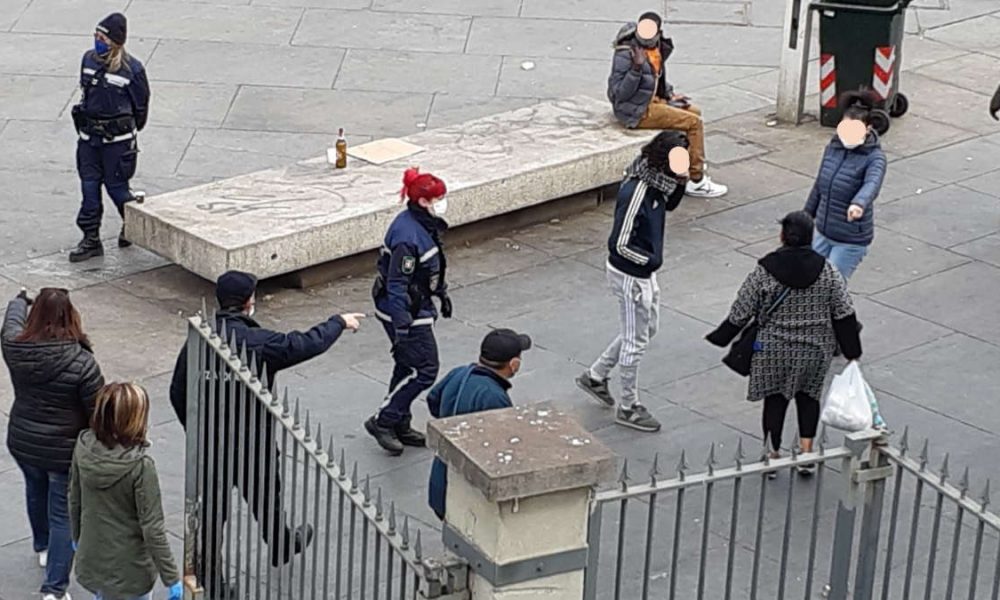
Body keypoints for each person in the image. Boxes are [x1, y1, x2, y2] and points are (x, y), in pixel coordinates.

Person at [168, 270, 364, 592]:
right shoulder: (259, 343)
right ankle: (281, 543)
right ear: (248, 303)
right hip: (252, 442)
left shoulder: (198, 339)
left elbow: (178, 392)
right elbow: (302, 344)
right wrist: (338, 322)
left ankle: (213, 580)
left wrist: (197, 431)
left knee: (213, 513)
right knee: (265, 497)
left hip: (211, 444)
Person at [706, 211, 863, 476]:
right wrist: (852, 351)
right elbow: (844, 313)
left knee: (775, 400)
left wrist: (722, 335)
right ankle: (806, 453)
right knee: (808, 398)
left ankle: (772, 453)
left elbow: (742, 309)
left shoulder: (766, 269)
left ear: (783, 237)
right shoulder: (827, 271)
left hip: (770, 348)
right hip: (815, 349)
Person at [575, 131, 690, 433]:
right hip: (631, 275)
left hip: (643, 272)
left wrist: (682, 181)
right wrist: (650, 261)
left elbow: (670, 204)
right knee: (635, 341)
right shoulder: (638, 190)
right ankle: (628, 406)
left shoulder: (658, 181)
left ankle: (596, 374)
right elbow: (619, 243)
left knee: (645, 330)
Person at [2, 288, 105, 600]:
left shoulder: (13, 346)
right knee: (63, 514)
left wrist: (20, 299)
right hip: (64, 451)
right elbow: (96, 413)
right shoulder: (82, 363)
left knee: (35, 490)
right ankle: (54, 588)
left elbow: (11, 319)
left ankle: (42, 546)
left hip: (23, 439)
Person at [366, 167, 452, 455]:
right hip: (404, 310)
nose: (443, 202)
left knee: (407, 365)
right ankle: (384, 420)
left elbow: (428, 268)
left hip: (416, 304)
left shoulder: (423, 224)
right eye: (437, 198)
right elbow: (398, 282)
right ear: (422, 202)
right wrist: (402, 324)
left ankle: (399, 421)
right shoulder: (407, 236)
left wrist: (441, 293)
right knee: (425, 368)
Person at [70, 382, 182, 600]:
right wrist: (172, 578)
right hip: (130, 570)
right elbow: (153, 528)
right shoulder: (141, 467)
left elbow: (74, 498)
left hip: (94, 558)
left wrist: (77, 538)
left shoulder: (83, 446)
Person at [607, 10, 728, 199]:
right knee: (693, 123)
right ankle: (696, 180)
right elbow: (620, 94)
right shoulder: (626, 53)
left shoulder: (656, 48)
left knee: (694, 111)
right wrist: (636, 68)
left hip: (653, 100)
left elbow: (657, 78)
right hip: (636, 110)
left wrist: (669, 95)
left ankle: (684, 166)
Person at [69, 12, 151, 263]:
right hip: (89, 141)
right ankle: (91, 238)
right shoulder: (88, 60)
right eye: (96, 35)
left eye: (102, 37)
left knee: (117, 189)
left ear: (115, 41)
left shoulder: (132, 69)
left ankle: (133, 224)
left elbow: (141, 106)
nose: (97, 40)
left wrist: (123, 129)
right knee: (89, 188)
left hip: (117, 144)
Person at [427, 328, 532, 520]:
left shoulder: (459, 373)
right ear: (513, 364)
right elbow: (500, 448)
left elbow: (433, 398)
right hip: (462, 490)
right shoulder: (495, 397)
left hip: (440, 478)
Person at [804, 91, 887, 280]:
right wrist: (806, 217)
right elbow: (820, 185)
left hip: (850, 239)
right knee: (810, 281)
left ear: (868, 129)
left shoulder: (875, 158)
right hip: (824, 233)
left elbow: (871, 184)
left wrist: (859, 203)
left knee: (830, 287)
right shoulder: (833, 149)